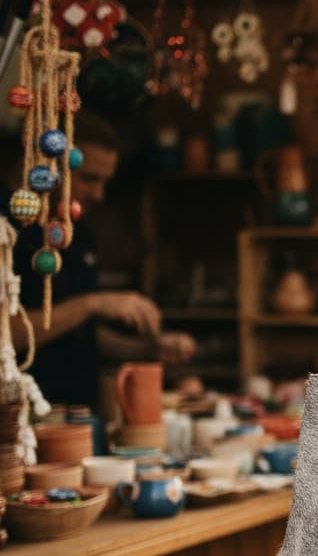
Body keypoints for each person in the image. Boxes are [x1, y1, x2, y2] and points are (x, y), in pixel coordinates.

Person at [10, 112, 195, 409]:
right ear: (48, 164)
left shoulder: (77, 232)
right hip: (20, 415)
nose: (99, 194)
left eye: (105, 181)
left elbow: (80, 332)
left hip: (81, 412)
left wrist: (147, 349)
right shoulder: (8, 227)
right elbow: (6, 334)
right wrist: (92, 303)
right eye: (89, 178)